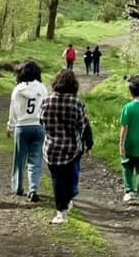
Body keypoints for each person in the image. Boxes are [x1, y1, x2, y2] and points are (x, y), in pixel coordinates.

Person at [40, 69, 90, 224]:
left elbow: (41, 121)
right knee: (69, 178)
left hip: (52, 148)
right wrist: (88, 144)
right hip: (72, 148)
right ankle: (66, 203)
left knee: (57, 179)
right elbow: (83, 126)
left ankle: (61, 212)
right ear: (73, 85)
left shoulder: (46, 101)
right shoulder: (77, 103)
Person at [6, 60, 48, 202]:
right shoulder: (42, 88)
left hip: (21, 127)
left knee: (19, 159)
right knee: (35, 159)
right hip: (38, 126)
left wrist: (10, 127)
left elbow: (13, 110)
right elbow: (46, 107)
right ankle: (33, 189)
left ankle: (18, 187)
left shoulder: (17, 90)